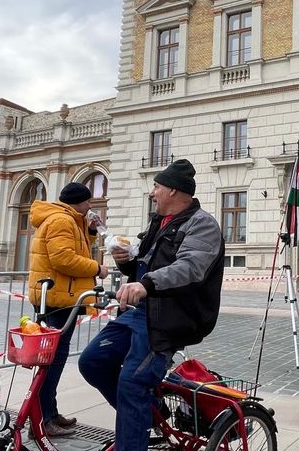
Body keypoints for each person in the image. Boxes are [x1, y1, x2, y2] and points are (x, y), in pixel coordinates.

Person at [78, 159, 225, 451]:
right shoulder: (159, 221)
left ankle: (133, 437)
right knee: (92, 362)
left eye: (156, 186)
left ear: (172, 190)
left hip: (173, 318)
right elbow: (143, 267)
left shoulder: (203, 225)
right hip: (141, 313)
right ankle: (151, 408)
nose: (152, 192)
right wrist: (127, 262)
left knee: (132, 383)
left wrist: (144, 285)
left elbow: (190, 268)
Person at [28, 182, 109, 437]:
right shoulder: (62, 221)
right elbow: (63, 259)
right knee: (51, 362)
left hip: (58, 297)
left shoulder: (67, 219)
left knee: (53, 360)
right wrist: (97, 268)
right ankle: (42, 420)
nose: (89, 207)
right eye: (87, 203)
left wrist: (92, 232)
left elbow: (72, 248)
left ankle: (48, 413)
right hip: (57, 299)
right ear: (78, 202)